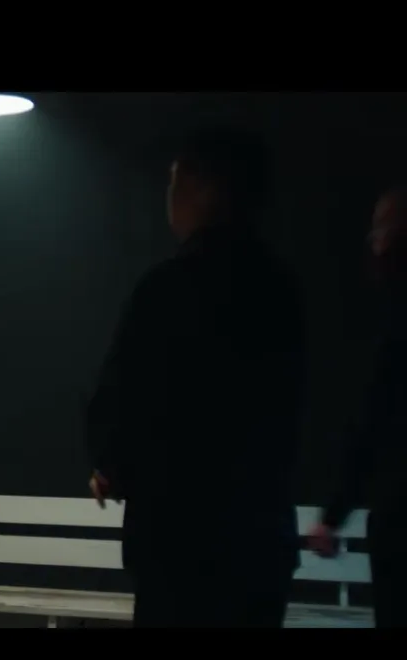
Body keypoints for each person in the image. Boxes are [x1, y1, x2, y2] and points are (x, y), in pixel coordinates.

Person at [85, 128, 307, 628]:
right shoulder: (282, 288)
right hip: (261, 543)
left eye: (176, 182)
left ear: (205, 190)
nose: (171, 196)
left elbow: (124, 397)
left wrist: (110, 466)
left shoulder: (169, 286)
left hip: (179, 544)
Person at [308, 186, 407, 628]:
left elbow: (372, 423)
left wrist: (333, 515)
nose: (373, 242)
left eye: (379, 231)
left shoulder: (394, 325)